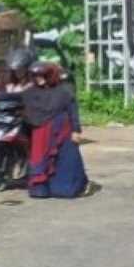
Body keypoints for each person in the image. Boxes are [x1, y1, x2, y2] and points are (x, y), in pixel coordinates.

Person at [23, 62, 88, 199]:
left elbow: (72, 111)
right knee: (40, 160)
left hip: (62, 134)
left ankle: (69, 188)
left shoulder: (64, 91)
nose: (39, 79)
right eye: (35, 76)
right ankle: (41, 190)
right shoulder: (31, 92)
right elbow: (15, 98)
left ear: (50, 75)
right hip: (41, 135)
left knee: (67, 161)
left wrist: (76, 130)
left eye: (42, 75)